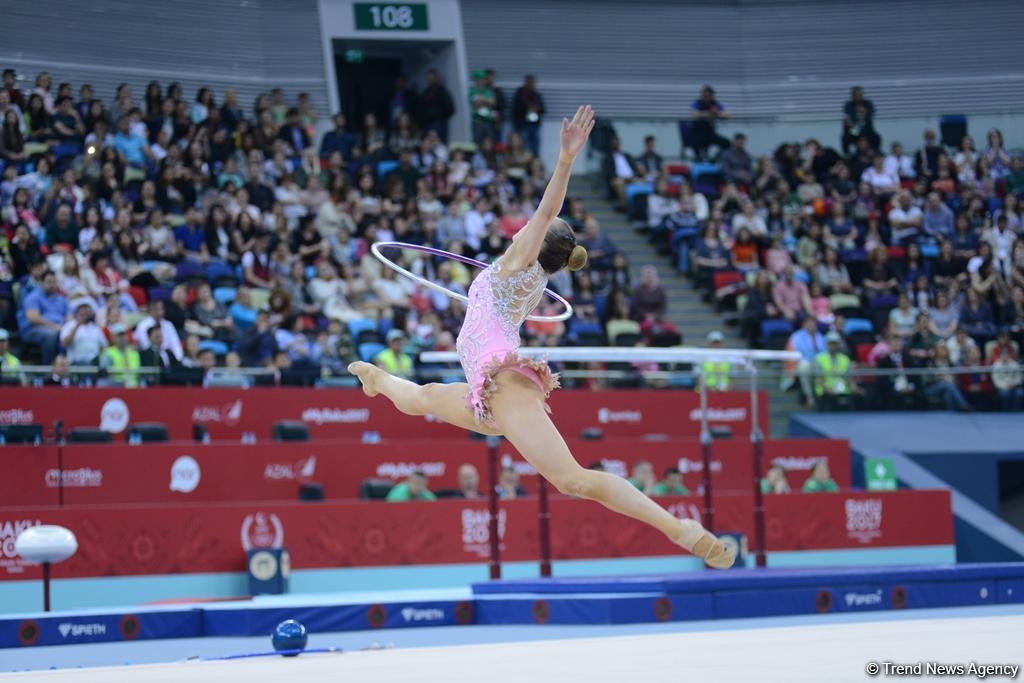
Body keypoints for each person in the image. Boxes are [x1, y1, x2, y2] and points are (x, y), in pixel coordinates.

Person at [349, 105, 733, 567]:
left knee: (572, 480)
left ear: (536, 241)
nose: (523, 229)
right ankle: (377, 379)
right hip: (485, 393)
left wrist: (566, 159)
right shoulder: (532, 280)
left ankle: (680, 529)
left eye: (532, 229)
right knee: (424, 397)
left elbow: (549, 208)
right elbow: (544, 228)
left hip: (502, 384)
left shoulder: (519, 264)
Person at [18, 270, 68, 363]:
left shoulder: (62, 299)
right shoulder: (33, 297)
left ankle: (67, 366)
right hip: (33, 329)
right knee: (50, 335)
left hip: (60, 329)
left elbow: (69, 317)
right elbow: (33, 318)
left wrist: (67, 327)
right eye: (49, 282)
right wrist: (53, 327)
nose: (52, 285)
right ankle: (48, 368)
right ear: (41, 283)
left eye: (54, 282)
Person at [815, 330, 857, 409]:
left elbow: (850, 378)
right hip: (826, 391)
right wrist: (828, 390)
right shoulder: (820, 359)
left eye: (835, 343)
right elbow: (819, 380)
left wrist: (854, 388)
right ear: (827, 344)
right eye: (831, 343)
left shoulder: (845, 359)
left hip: (843, 391)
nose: (833, 346)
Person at [689, 85, 730, 161]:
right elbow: (693, 114)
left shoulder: (715, 104)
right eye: (704, 95)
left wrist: (717, 113)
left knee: (727, 143)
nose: (706, 97)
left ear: (712, 96)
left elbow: (727, 115)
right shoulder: (697, 103)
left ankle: (714, 160)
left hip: (710, 134)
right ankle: (699, 160)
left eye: (708, 96)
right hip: (698, 134)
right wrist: (709, 113)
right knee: (695, 144)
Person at [417, 69, 455, 143]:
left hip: (439, 123)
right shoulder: (425, 93)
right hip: (427, 124)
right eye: (428, 79)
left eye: (432, 78)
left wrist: (440, 117)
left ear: (436, 79)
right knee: (427, 143)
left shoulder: (442, 92)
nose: (430, 80)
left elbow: (450, 108)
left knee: (439, 144)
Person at [100, 322, 142, 387]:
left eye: (124, 335)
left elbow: (140, 372)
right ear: (112, 338)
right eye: (119, 335)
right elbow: (103, 373)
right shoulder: (108, 352)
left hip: (135, 385)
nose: (122, 338)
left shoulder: (134, 352)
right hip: (116, 386)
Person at [511, 75, 544, 157]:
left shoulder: (537, 95)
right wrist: (527, 109)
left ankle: (535, 164)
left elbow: (543, 109)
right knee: (524, 144)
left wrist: (537, 109)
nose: (532, 85)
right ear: (526, 83)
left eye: (533, 83)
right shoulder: (519, 95)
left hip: (534, 125)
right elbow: (515, 110)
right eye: (530, 83)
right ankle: (525, 163)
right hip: (522, 125)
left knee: (535, 145)